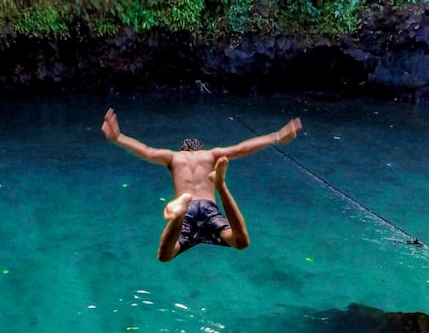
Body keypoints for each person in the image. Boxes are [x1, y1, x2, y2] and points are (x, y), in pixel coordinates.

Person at [102, 108, 302, 261]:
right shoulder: (211, 155)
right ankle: (220, 184)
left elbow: (145, 151)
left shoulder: (173, 157)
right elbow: (242, 148)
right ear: (200, 149)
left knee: (165, 256)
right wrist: (276, 136)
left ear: (182, 149)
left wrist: (118, 137)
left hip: (188, 209)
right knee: (241, 242)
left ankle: (178, 215)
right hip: (209, 209)